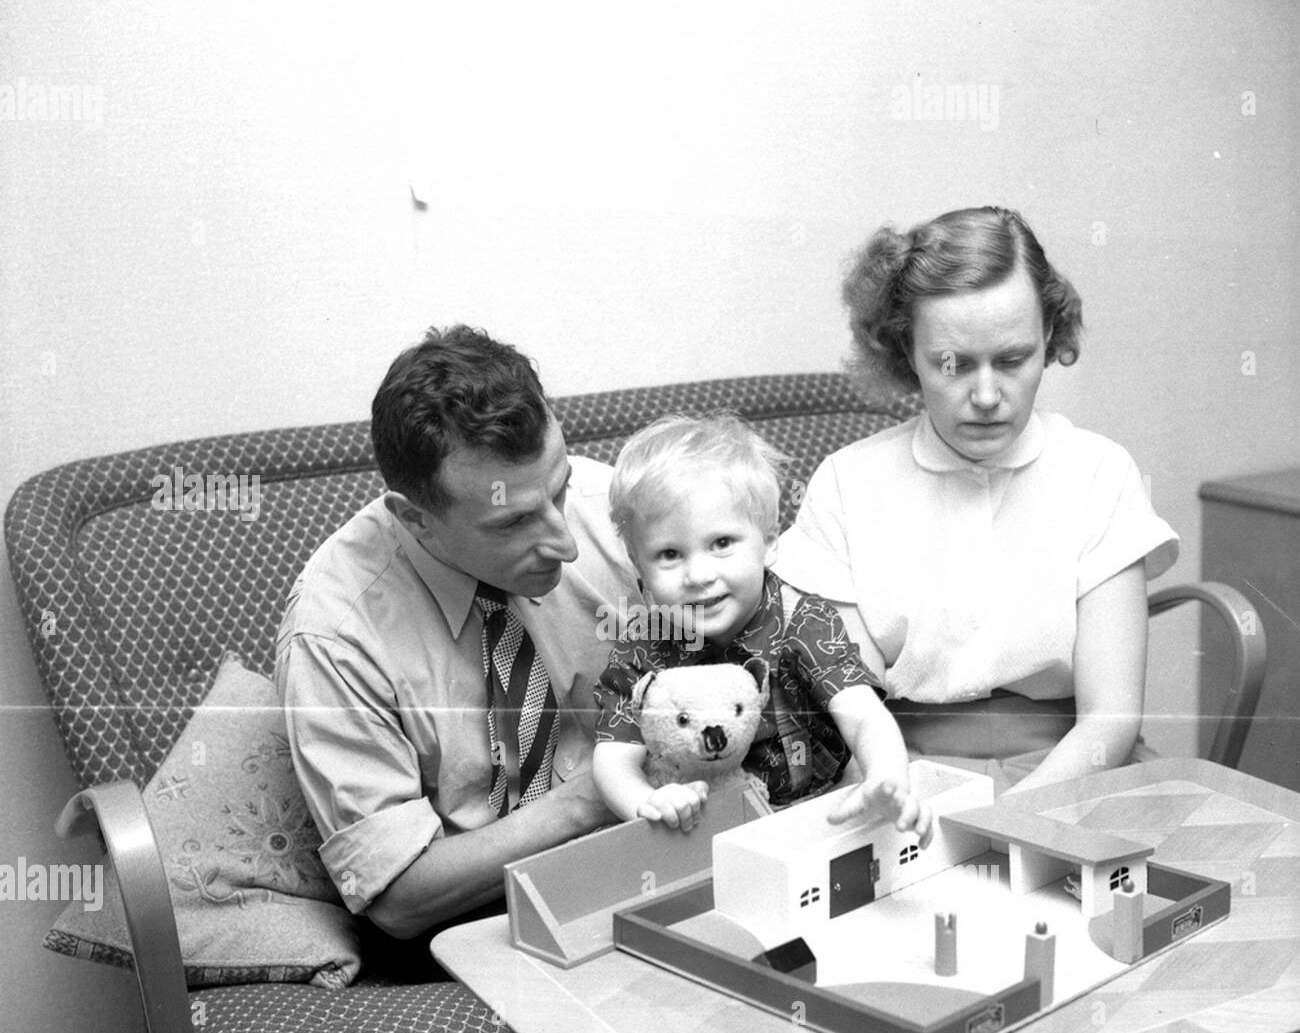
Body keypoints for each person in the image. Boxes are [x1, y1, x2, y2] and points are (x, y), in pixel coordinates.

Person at [774, 206, 1179, 795]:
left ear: (1049, 338)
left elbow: (1109, 721)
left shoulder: (1099, 473)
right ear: (905, 350)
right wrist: (902, 802)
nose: (987, 396)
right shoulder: (846, 484)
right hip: (900, 773)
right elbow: (854, 708)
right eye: (953, 364)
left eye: (1013, 360)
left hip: (1074, 773)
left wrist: (1009, 820)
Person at [275, 325, 639, 945]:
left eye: (559, 489)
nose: (567, 543)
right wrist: (589, 800)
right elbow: (397, 895)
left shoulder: (621, 509)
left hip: (655, 865)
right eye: (514, 522)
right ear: (415, 518)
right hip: (475, 931)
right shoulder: (335, 633)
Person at [590, 413, 932, 843]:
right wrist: (645, 802)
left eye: (721, 544)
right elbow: (614, 755)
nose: (699, 575)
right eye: (670, 554)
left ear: (769, 543)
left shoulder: (804, 620)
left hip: (814, 809)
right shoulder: (643, 644)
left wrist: (886, 777)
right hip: (700, 827)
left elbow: (863, 715)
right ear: (639, 565)